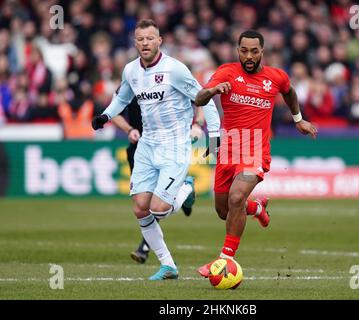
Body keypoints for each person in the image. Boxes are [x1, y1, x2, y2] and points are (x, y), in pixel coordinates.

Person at [91, 19, 220, 280]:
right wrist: (105, 117)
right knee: (140, 207)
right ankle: (168, 265)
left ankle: (186, 188)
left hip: (174, 144)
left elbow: (204, 98)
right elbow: (122, 98)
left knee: (159, 208)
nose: (145, 43)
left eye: (150, 38)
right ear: (135, 42)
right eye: (140, 39)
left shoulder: (175, 69)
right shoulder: (130, 71)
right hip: (148, 144)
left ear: (159, 41)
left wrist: (214, 136)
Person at [194, 30, 318, 277]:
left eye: (254, 51)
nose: (248, 56)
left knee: (236, 197)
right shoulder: (226, 72)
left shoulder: (275, 77)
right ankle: (256, 208)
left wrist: (298, 119)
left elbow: (290, 92)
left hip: (255, 149)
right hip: (228, 147)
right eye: (244, 50)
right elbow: (198, 99)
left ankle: (225, 261)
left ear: (262, 51)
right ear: (237, 50)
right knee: (224, 211)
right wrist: (214, 90)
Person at [111, 100, 206, 264]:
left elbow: (202, 99)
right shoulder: (132, 81)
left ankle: (145, 247)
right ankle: (182, 194)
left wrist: (197, 124)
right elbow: (114, 111)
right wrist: (129, 129)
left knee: (157, 203)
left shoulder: (168, 78)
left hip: (167, 147)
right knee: (143, 203)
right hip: (141, 148)